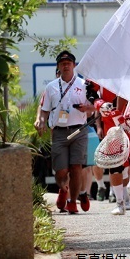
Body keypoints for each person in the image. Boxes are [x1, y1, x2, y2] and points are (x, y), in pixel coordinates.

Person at [34, 50, 95, 214]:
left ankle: (73, 202)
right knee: (61, 171)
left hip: (79, 130)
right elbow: (44, 108)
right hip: (59, 132)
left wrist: (87, 108)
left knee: (76, 167)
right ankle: (64, 188)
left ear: (74, 66)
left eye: (68, 63)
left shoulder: (84, 85)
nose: (66, 66)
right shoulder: (51, 87)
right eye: (62, 63)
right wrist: (40, 120)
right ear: (58, 67)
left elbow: (95, 106)